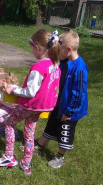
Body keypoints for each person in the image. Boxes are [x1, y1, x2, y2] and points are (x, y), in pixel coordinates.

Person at [0, 29, 61, 176]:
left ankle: (9, 157)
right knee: (29, 134)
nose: (31, 51)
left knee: (9, 124)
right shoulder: (55, 65)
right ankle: (26, 164)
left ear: (38, 47)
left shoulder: (38, 67)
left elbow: (30, 92)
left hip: (29, 105)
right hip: (42, 108)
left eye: (31, 48)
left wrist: (14, 89)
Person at [34, 30, 88, 169]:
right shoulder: (64, 62)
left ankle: (60, 156)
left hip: (70, 110)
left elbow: (79, 94)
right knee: (51, 125)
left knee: (64, 131)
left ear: (68, 49)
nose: (58, 52)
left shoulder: (80, 69)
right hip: (59, 105)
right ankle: (39, 146)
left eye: (60, 49)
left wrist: (69, 112)